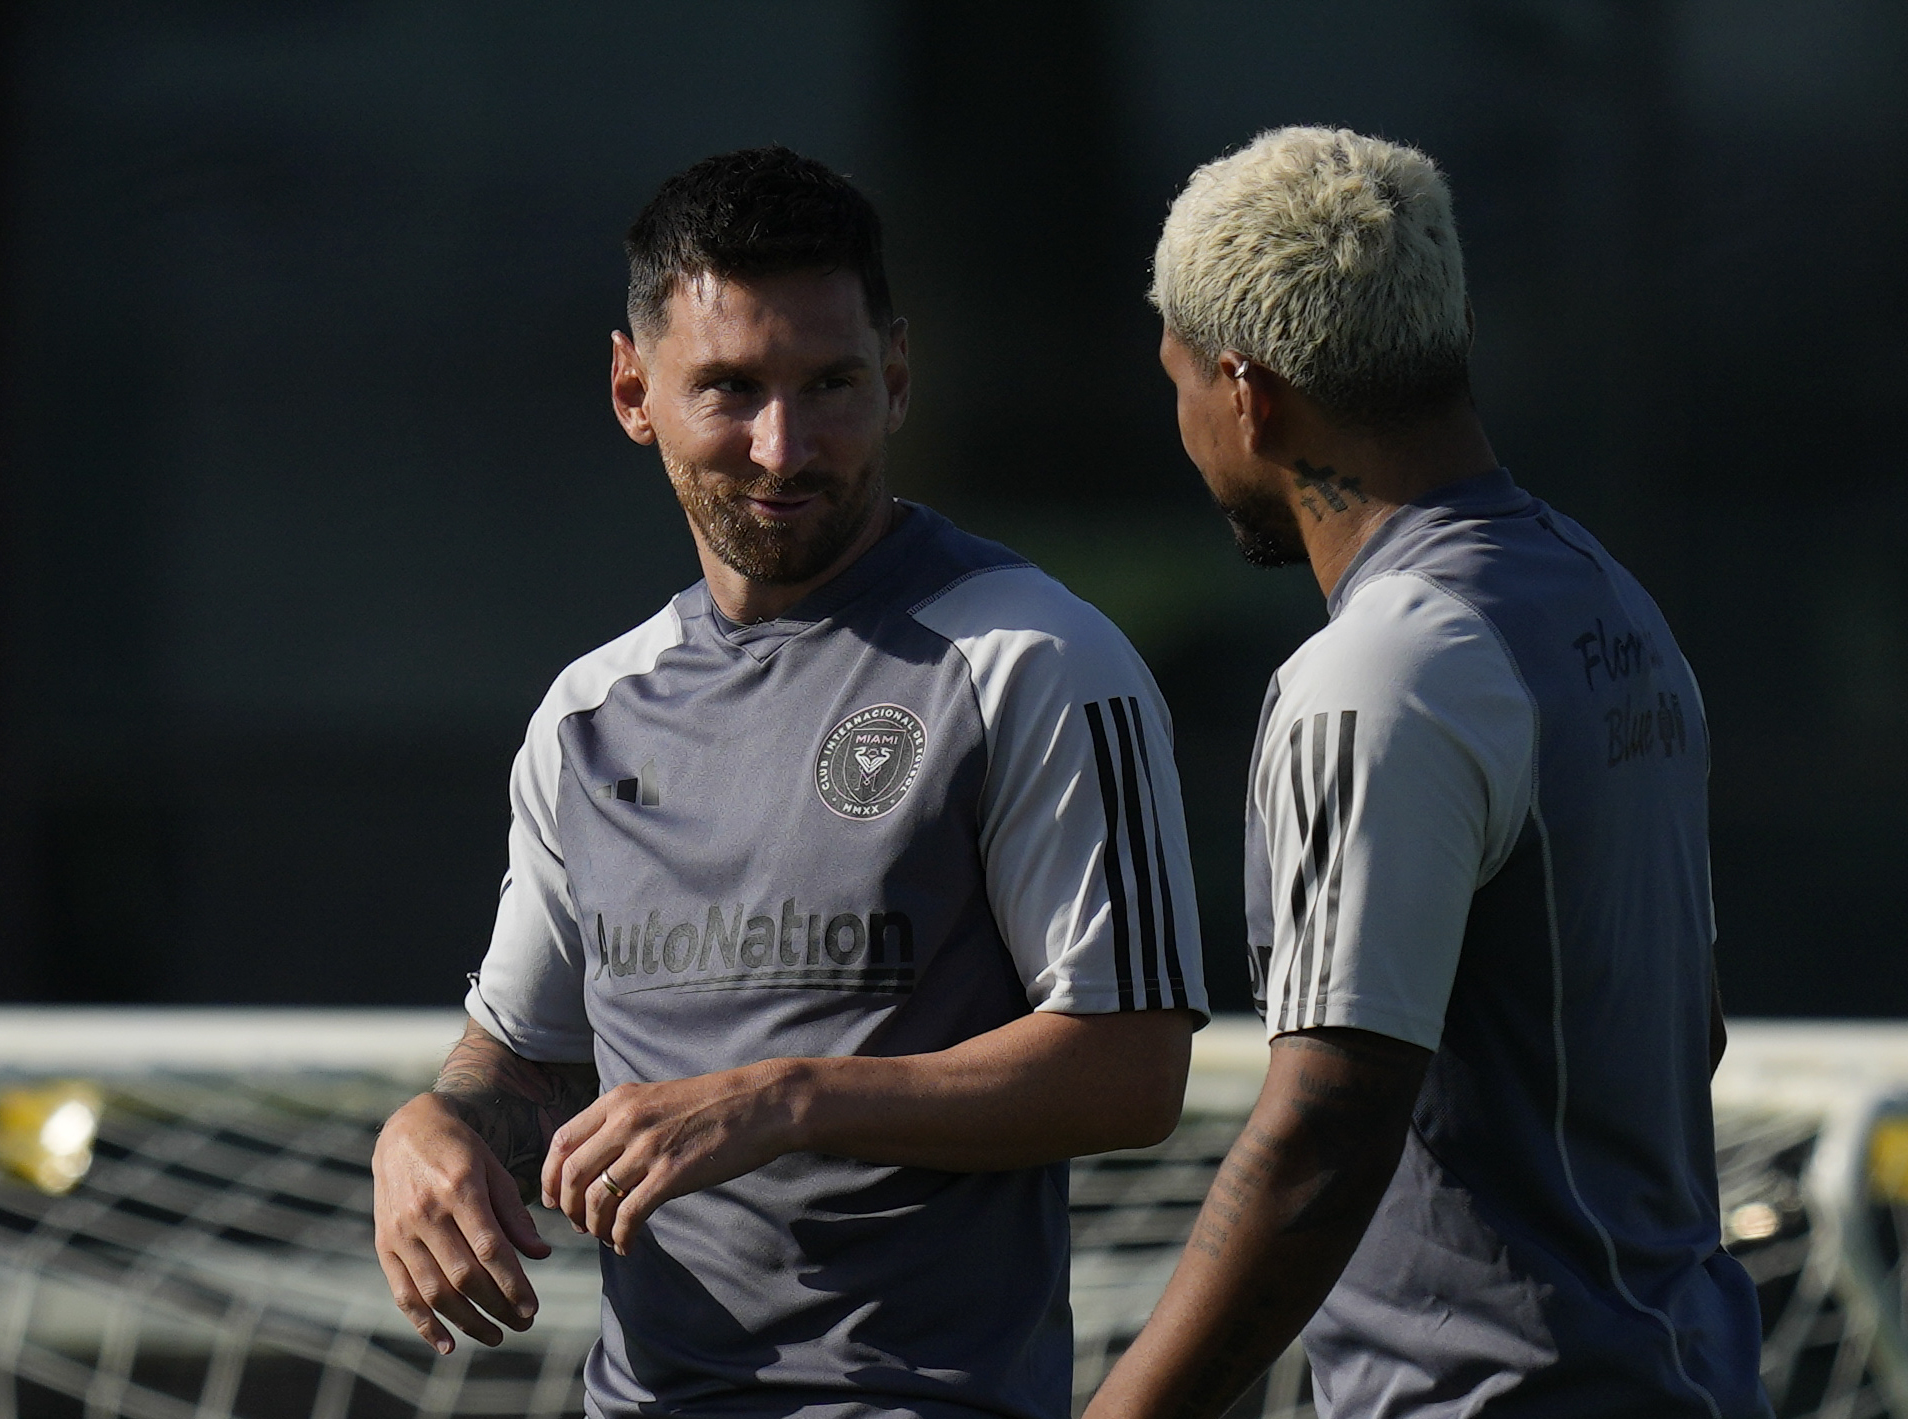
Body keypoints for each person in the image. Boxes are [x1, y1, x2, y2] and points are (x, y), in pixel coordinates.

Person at [371, 145, 1207, 1419]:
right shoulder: (590, 713)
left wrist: (788, 1100)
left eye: (830, 385)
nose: (784, 445)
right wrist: (428, 1132)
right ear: (631, 388)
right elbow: (525, 1063)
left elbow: (1135, 1068)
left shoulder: (1034, 659)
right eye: (731, 389)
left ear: (900, 376)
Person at [1084, 128, 1769, 1419]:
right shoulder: (1607, 607)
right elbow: (1696, 1024)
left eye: (1177, 383)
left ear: (1246, 392)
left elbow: (1323, 1131)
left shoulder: (1385, 672)